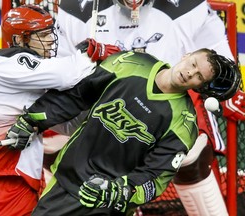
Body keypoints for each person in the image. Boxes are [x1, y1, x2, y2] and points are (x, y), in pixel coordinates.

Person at [47, 0, 239, 215]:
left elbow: (220, 68)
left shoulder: (190, 6)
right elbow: (60, 74)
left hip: (167, 102)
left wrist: (229, 95)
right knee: (48, 136)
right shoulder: (75, 7)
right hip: (100, 100)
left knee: (192, 157)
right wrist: (81, 62)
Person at [6, 48, 241, 215]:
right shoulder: (130, 63)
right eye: (193, 65)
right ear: (185, 56)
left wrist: (121, 190)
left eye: (199, 76)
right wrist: (32, 121)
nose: (190, 73)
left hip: (108, 205)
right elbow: (77, 95)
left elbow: (156, 177)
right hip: (66, 182)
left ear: (199, 87)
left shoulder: (184, 126)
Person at [0, 5, 119, 215]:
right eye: (42, 34)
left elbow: (67, 124)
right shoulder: (0, 62)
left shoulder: (35, 79)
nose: (51, 39)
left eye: (51, 32)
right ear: (19, 40)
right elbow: (68, 74)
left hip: (20, 183)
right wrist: (89, 52)